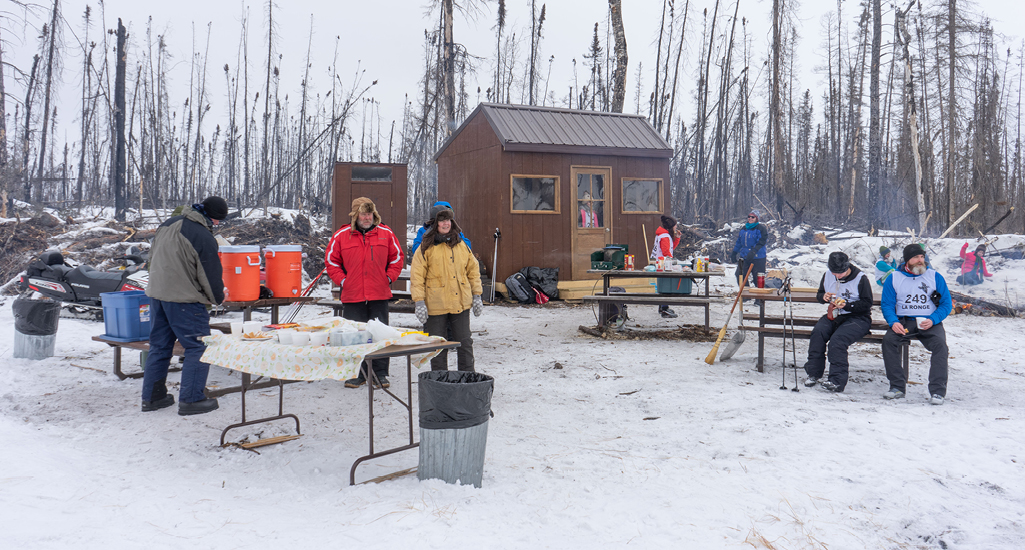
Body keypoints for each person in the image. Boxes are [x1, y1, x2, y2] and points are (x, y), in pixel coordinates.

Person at [140, 196, 228, 415]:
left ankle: (153, 398)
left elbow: (152, 259)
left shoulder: (167, 225)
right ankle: (191, 400)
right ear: (213, 218)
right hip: (185, 301)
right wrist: (218, 297)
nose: (217, 225)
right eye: (218, 221)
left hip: (158, 296)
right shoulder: (201, 235)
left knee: (160, 346)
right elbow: (209, 274)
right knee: (198, 347)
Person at [326, 197, 405, 388]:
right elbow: (331, 261)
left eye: (369, 213)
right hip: (353, 295)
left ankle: (380, 373)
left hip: (378, 293)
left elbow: (397, 258)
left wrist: (388, 278)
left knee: (379, 334)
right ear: (355, 215)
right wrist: (344, 280)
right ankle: (356, 373)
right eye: (363, 214)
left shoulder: (386, 234)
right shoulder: (341, 235)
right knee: (354, 335)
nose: (367, 217)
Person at [411, 206, 483, 372]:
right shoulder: (425, 248)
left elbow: (473, 271)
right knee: (437, 346)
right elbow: (417, 277)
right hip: (435, 306)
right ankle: (440, 381)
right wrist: (419, 301)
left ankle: (467, 378)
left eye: (448, 220)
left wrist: (477, 295)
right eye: (442, 220)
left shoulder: (461, 245)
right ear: (434, 223)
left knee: (464, 343)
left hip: (460, 304)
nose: (446, 224)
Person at [880, 243, 952, 405]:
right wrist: (893, 322)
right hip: (904, 321)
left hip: (929, 321)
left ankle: (937, 391)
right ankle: (897, 387)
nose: (920, 261)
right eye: (915, 258)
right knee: (889, 341)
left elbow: (947, 304)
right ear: (907, 261)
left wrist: (933, 319)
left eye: (922, 257)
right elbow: (887, 304)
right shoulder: (894, 277)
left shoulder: (935, 277)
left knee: (940, 346)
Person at [802, 252, 874, 393]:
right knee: (818, 333)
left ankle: (836, 381)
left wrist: (847, 305)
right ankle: (813, 373)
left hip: (858, 317)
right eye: (834, 272)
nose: (838, 276)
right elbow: (819, 295)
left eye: (841, 273)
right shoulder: (828, 275)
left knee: (837, 341)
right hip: (834, 315)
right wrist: (824, 297)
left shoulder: (861, 278)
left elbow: (867, 303)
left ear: (847, 267)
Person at [650, 214, 682, 318]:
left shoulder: (664, 235)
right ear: (671, 226)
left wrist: (676, 239)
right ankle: (663, 308)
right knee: (666, 286)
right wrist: (672, 261)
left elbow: (670, 248)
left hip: (660, 263)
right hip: (662, 264)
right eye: (675, 226)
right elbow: (666, 252)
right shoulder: (664, 236)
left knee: (664, 285)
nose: (676, 228)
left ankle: (663, 306)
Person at [731, 209, 768, 288]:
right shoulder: (744, 228)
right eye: (749, 217)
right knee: (740, 275)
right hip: (744, 257)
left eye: (753, 217)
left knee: (757, 278)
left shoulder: (761, 228)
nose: (750, 218)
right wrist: (734, 252)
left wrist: (753, 251)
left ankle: (760, 298)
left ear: (756, 219)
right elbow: (739, 242)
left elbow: (761, 242)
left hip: (758, 257)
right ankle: (746, 295)